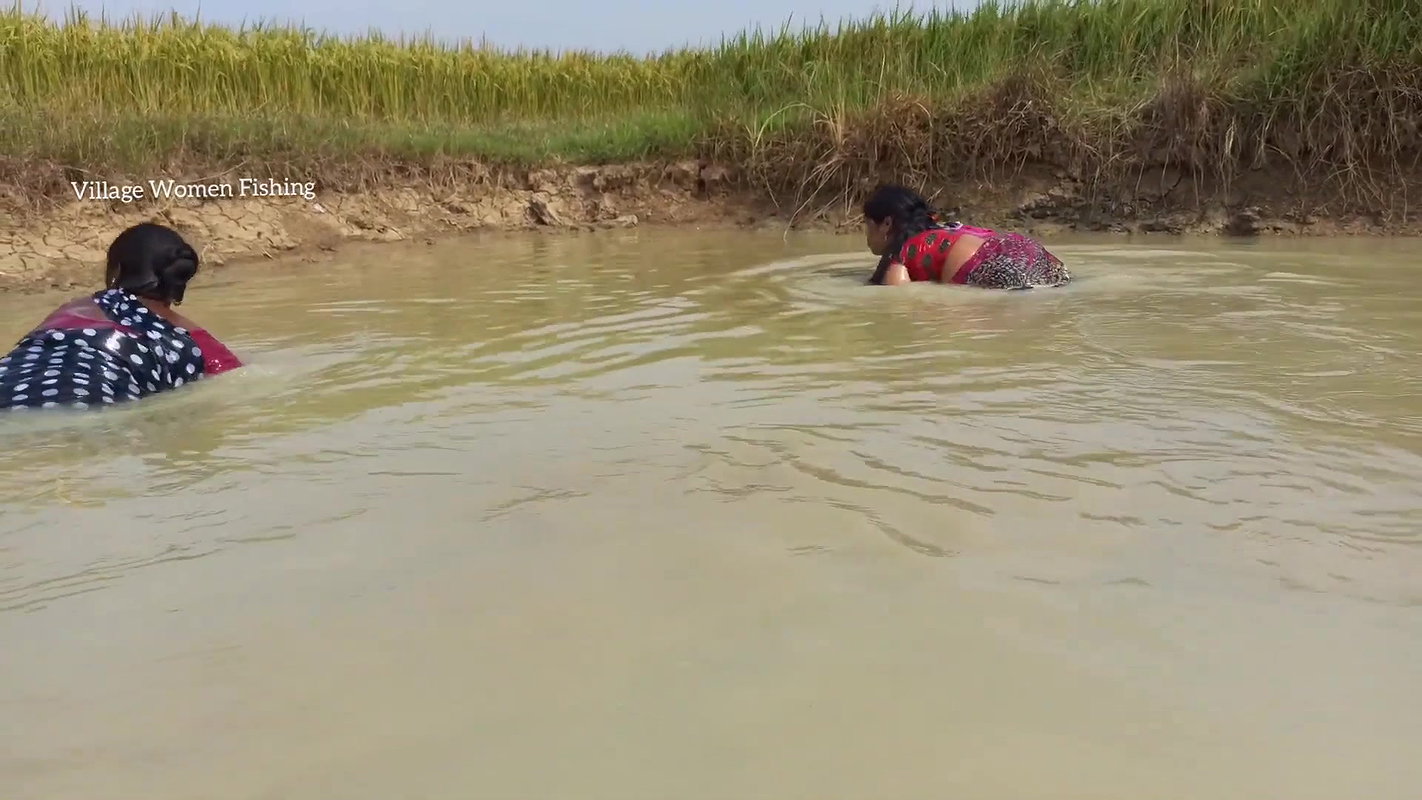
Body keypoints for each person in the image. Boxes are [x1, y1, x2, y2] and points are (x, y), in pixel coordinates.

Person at [0, 222, 242, 411]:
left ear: (116, 272)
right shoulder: (194, 339)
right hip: (93, 406)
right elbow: (237, 379)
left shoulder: (72, 310)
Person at [862, 184, 1071, 289]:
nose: (867, 235)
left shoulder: (903, 253)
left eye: (868, 225)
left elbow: (897, 300)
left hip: (990, 266)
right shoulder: (949, 230)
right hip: (1032, 251)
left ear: (887, 224)